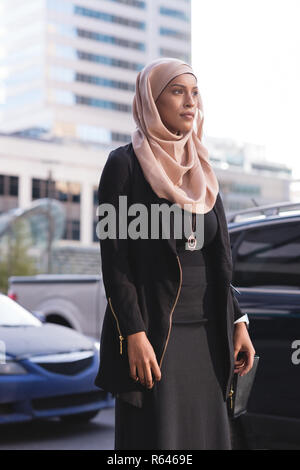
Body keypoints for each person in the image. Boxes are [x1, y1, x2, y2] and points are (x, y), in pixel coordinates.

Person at [94, 58, 255, 450]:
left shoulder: (203, 167)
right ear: (151, 99)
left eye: (195, 93)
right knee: (158, 442)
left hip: (209, 337)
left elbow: (220, 260)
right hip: (155, 338)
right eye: (178, 91)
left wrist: (239, 320)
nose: (190, 102)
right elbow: (114, 262)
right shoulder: (123, 166)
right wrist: (133, 332)